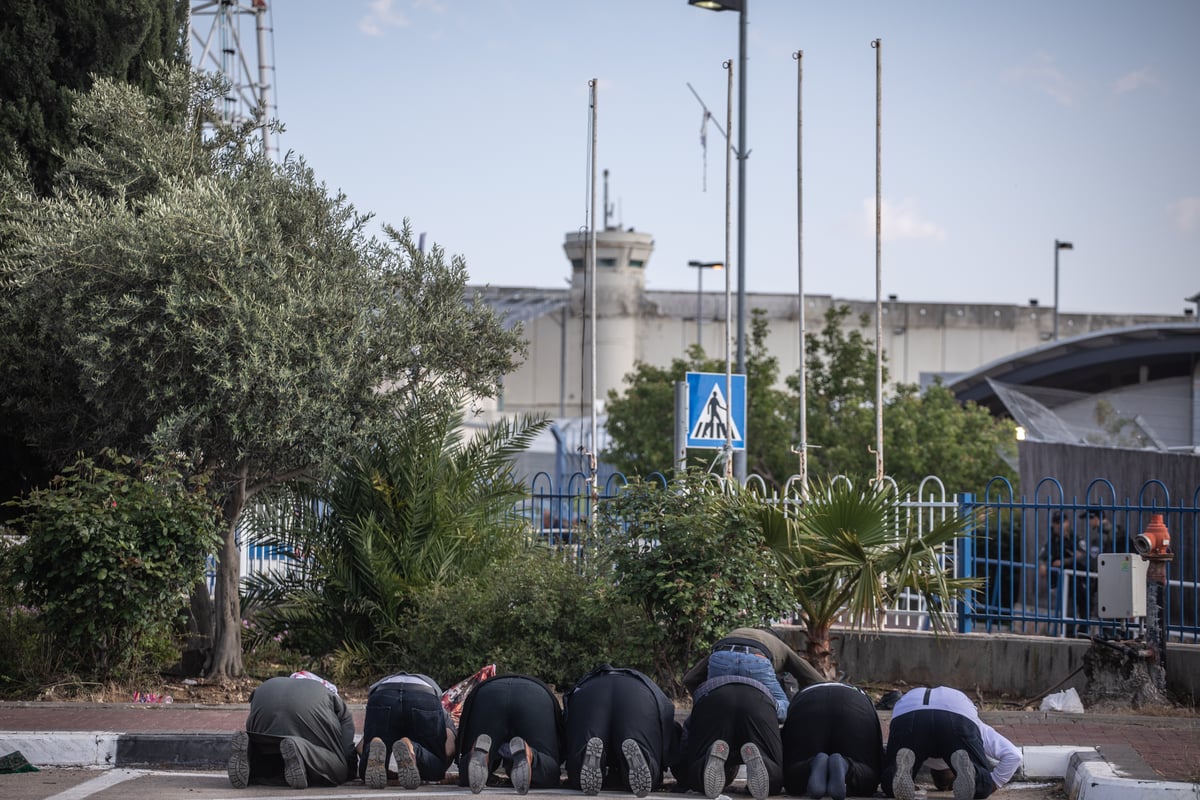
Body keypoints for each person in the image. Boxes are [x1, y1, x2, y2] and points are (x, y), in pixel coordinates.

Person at [881, 686, 1021, 800]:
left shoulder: (916, 755)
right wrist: (991, 785)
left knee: (890, 782)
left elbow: (1013, 756)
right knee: (980, 788)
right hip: (954, 713)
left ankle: (894, 776)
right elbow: (1015, 755)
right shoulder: (978, 726)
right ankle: (977, 781)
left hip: (908, 712)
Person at [562, 664, 680, 797]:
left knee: (580, 762)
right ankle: (643, 757)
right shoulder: (647, 684)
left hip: (588, 693)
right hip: (639, 694)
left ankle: (585, 758)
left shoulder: (587, 682)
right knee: (646, 762)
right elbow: (668, 724)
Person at [227, 671, 356, 789]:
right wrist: (349, 770)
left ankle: (250, 748)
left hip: (264, 693)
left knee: (271, 753)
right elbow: (347, 750)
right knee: (340, 769)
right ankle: (299, 748)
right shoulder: (330, 694)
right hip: (311, 705)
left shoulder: (272, 684)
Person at [672, 675, 782, 800]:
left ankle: (706, 762)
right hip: (759, 697)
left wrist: (686, 773)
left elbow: (687, 739)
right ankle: (766, 765)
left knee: (698, 772)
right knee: (773, 774)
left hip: (713, 697)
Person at [682, 627, 824, 722]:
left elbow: (690, 679)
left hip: (722, 653)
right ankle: (770, 707)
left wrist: (703, 704)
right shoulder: (780, 646)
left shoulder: (738, 634)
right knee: (785, 707)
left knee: (709, 704)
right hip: (757, 658)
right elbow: (813, 680)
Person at [454, 673, 564, 794]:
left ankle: (482, 755)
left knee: (467, 774)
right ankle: (530, 755)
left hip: (487, 695)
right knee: (549, 772)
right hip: (535, 695)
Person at [782, 682, 883, 800]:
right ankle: (846, 766)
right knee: (868, 775)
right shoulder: (861, 694)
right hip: (854, 704)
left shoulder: (803, 692)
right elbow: (878, 755)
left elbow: (784, 753)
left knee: (791, 776)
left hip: (807, 704)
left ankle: (811, 765)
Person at [358, 671, 456, 789]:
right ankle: (411, 748)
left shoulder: (388, 682)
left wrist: (374, 756)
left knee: (366, 770)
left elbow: (360, 747)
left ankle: (377, 740)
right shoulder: (443, 710)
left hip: (382, 693)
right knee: (434, 772)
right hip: (424, 695)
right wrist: (440, 765)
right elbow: (449, 749)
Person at [1037, 511, 1086, 636]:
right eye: (1056, 523)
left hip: (1079, 578)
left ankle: (1083, 632)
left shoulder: (1075, 538)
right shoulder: (1053, 540)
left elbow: (1082, 555)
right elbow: (1043, 554)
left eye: (1062, 522)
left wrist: (1064, 562)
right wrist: (1042, 564)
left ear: (1067, 523)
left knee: (1084, 607)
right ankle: (1069, 633)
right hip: (1063, 580)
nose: (1059, 526)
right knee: (1068, 609)